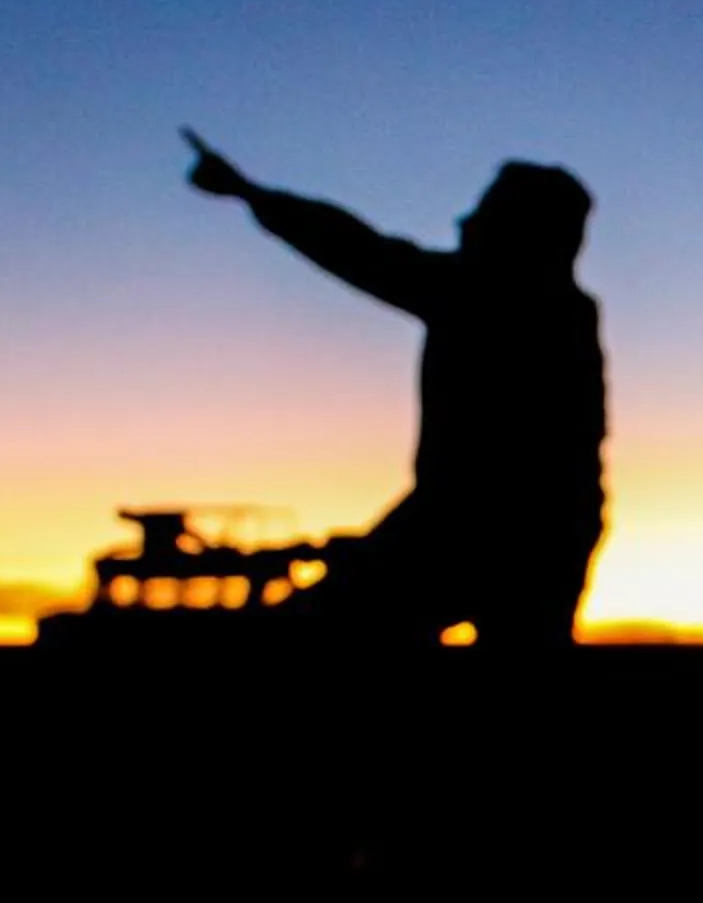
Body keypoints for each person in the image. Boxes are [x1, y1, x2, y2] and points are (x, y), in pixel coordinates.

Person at [185, 130, 606, 648]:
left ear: (522, 232)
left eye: (484, 212)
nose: (463, 221)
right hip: (532, 526)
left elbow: (361, 251)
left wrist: (248, 191)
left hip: (471, 524)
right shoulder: (553, 308)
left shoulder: (493, 296)